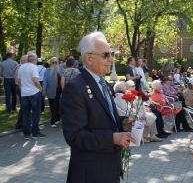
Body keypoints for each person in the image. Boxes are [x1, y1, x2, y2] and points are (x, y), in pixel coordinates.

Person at [61, 31, 135, 183]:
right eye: (106, 55)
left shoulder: (105, 85)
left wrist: (123, 122)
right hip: (90, 173)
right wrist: (112, 138)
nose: (112, 59)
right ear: (89, 58)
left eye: (112, 54)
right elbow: (74, 136)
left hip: (109, 169)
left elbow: (103, 118)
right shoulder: (75, 88)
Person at [18, 54, 44, 139]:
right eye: (36, 60)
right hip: (34, 93)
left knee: (26, 114)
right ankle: (35, 132)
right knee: (36, 113)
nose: (36, 61)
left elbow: (19, 82)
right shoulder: (34, 67)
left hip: (24, 93)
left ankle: (26, 133)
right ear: (33, 60)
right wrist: (41, 90)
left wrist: (22, 90)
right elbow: (36, 81)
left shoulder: (21, 67)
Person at [42, 57, 63, 128]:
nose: (54, 64)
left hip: (59, 91)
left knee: (56, 105)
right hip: (50, 91)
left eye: (56, 62)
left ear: (58, 63)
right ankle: (57, 117)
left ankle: (53, 121)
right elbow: (45, 81)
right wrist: (44, 90)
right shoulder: (47, 70)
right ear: (50, 63)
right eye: (53, 62)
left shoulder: (61, 69)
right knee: (52, 106)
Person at [14, 55, 28, 129]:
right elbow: (19, 81)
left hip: (20, 88)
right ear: (23, 61)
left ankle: (22, 123)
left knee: (24, 106)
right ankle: (19, 124)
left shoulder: (19, 67)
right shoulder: (20, 68)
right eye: (27, 60)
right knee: (24, 106)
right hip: (21, 88)